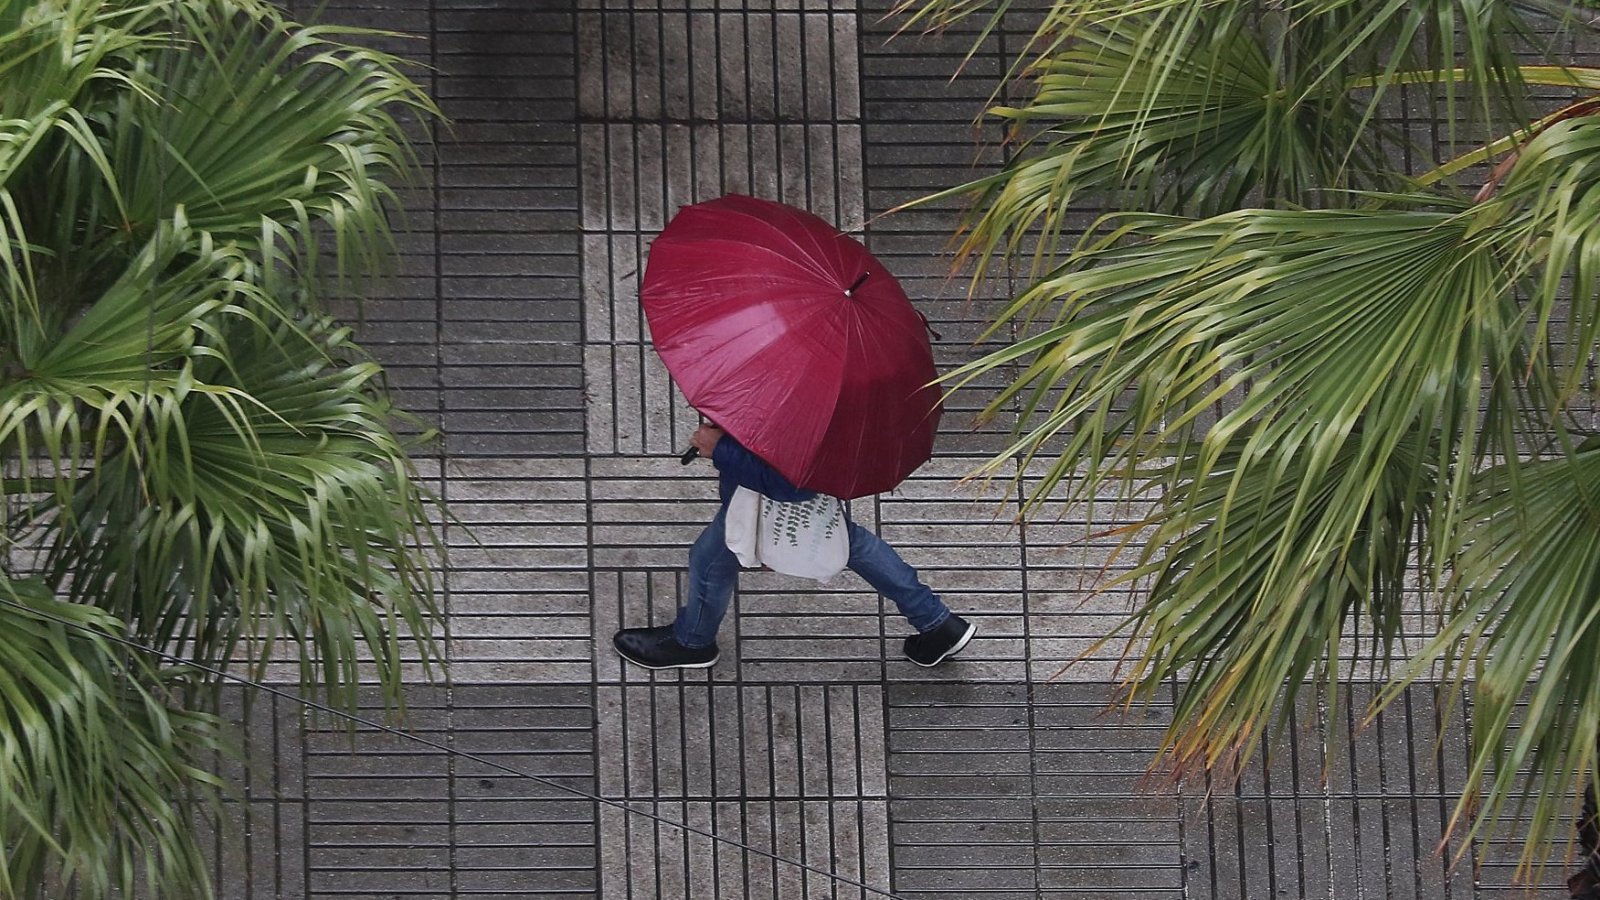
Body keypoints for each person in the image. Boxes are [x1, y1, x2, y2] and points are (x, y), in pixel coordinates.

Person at [612, 422, 975, 670]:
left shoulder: (797, 392)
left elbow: (791, 486)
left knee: (710, 559)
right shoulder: (829, 382)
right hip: (796, 481)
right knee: (851, 542)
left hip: (765, 495)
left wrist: (720, 448)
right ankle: (936, 623)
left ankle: (692, 642)